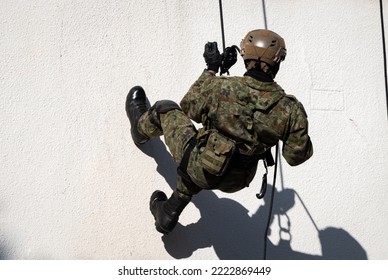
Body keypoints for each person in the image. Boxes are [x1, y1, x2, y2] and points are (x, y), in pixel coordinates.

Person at [125, 29, 313, 235]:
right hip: (238, 180)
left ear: (245, 57)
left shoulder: (220, 87)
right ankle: (168, 212)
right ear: (278, 62)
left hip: (203, 167)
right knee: (204, 155)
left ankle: (139, 130)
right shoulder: (290, 109)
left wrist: (211, 69)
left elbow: (188, 107)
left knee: (165, 109)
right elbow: (296, 156)